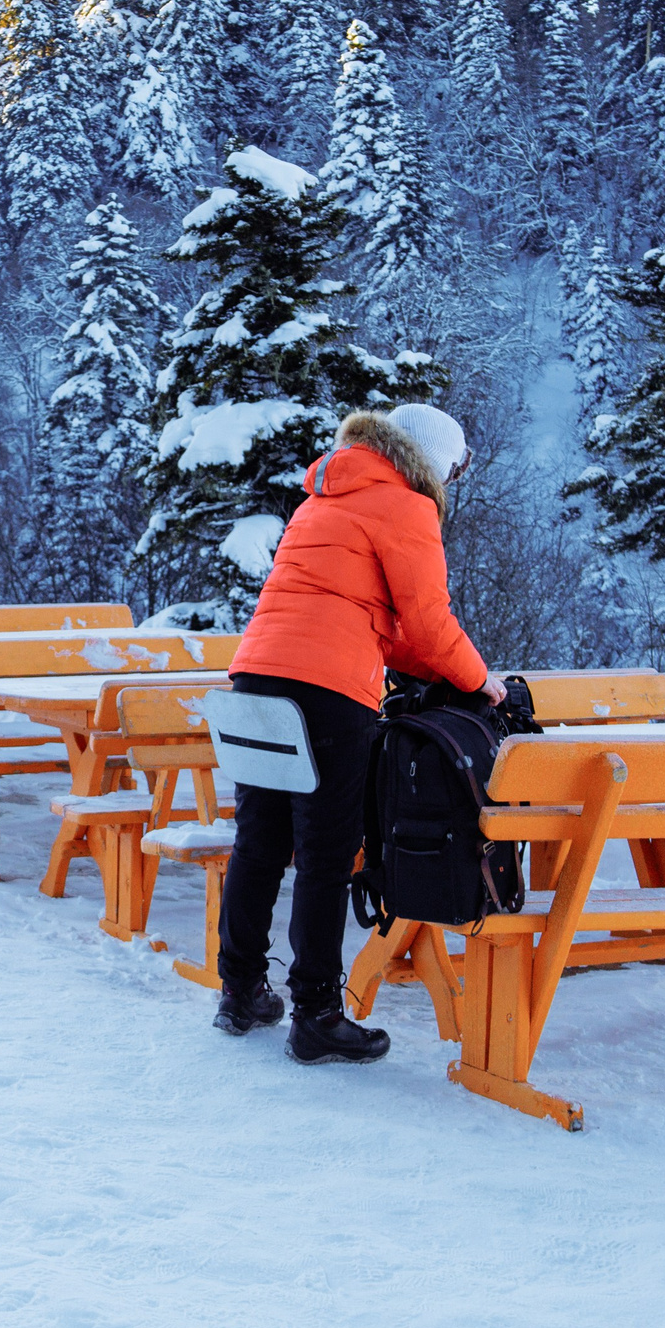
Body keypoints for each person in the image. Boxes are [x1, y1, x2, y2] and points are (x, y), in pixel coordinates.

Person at [213, 403, 504, 1063]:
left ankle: (240, 990)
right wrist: (478, 678)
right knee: (325, 848)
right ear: (428, 461)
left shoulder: (325, 495)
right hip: (326, 689)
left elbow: (388, 629)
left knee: (259, 839)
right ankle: (315, 1011)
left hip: (256, 674)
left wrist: (440, 664)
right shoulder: (406, 504)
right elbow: (427, 622)